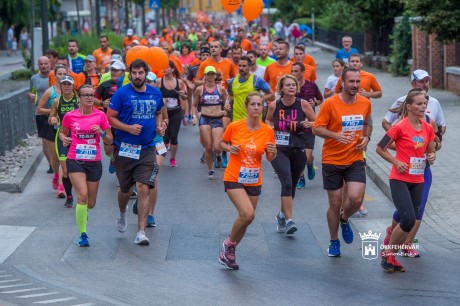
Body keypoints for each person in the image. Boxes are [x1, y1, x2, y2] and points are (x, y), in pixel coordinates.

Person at [312, 68, 373, 257]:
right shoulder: (330, 104)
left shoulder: (364, 102)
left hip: (355, 157)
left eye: (357, 81)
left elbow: (368, 123)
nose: (355, 85)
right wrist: (335, 135)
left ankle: (345, 219)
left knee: (356, 198)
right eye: (352, 82)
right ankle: (334, 241)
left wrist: (366, 138)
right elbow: (316, 129)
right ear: (343, 83)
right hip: (332, 159)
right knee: (335, 203)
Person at [376, 89, 436, 272]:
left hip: (418, 180)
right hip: (399, 179)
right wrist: (396, 161)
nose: (423, 106)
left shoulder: (428, 127)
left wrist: (431, 156)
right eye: (418, 104)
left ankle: (391, 255)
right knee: (408, 219)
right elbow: (380, 147)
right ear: (409, 107)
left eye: (424, 103)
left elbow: (430, 149)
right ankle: (388, 254)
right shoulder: (399, 127)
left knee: (410, 220)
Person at [107, 59, 164, 245]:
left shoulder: (155, 93)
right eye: (134, 73)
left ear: (146, 73)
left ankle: (141, 231)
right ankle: (123, 213)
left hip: (147, 148)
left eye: (141, 73)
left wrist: (160, 126)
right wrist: (128, 128)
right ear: (129, 74)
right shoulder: (122, 93)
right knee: (125, 190)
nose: (137, 76)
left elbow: (159, 112)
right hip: (124, 148)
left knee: (143, 187)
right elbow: (110, 118)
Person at [218, 92, 277, 270]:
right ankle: (228, 245)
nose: (257, 108)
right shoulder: (235, 126)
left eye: (259, 105)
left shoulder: (267, 130)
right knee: (248, 214)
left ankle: (230, 250)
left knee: (246, 218)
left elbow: (271, 157)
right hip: (234, 176)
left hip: (253, 178)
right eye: (253, 104)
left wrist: (273, 151)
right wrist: (229, 148)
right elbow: (221, 143)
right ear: (246, 107)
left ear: (263, 108)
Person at [59, 85, 113, 247]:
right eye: (86, 95)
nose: (89, 98)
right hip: (75, 159)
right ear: (79, 98)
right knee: (82, 196)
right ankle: (83, 234)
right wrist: (64, 138)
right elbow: (62, 132)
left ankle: (83, 212)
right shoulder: (70, 116)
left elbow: (109, 139)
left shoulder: (101, 116)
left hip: (94, 162)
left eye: (91, 95)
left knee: (90, 203)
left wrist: (101, 133)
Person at [265, 75, 316, 235]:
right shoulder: (275, 105)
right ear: (282, 88)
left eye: (293, 85)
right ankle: (289, 220)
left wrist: (310, 124)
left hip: (298, 148)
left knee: (292, 186)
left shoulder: (303, 104)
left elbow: (318, 123)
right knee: (286, 181)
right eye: (288, 85)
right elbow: (267, 120)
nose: (291, 87)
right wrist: (271, 128)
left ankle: (281, 215)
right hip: (279, 149)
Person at [290, 62, 323, 189]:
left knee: (307, 157)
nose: (293, 73)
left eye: (296, 71)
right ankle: (301, 177)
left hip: (309, 125)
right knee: (298, 155)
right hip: (295, 126)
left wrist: (314, 103)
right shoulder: (290, 87)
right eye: (292, 71)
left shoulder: (311, 85)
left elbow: (320, 99)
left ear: (302, 73)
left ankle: (310, 164)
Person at [48, 75, 80, 207]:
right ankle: (70, 196)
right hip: (62, 136)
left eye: (69, 84)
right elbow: (51, 116)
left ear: (73, 86)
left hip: (78, 136)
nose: (66, 86)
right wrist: (53, 119)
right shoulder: (56, 101)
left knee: (77, 167)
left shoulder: (78, 100)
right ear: (60, 86)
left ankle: (81, 192)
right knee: (65, 168)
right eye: (64, 84)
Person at [192, 66, 227, 178]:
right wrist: (194, 115)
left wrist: (224, 111)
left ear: (215, 75)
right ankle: (210, 169)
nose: (210, 76)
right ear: (205, 76)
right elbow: (194, 105)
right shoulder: (200, 89)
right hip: (205, 118)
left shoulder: (221, 89)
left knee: (217, 146)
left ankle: (218, 154)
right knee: (208, 146)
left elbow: (226, 104)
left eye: (212, 74)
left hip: (217, 118)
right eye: (208, 74)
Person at [36, 64, 66, 193]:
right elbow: (39, 109)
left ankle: (61, 186)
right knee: (54, 158)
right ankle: (56, 174)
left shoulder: (71, 91)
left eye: (64, 74)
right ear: (55, 75)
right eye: (59, 74)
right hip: (51, 125)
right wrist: (53, 111)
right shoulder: (50, 91)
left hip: (65, 126)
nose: (62, 76)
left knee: (62, 156)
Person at [156, 61, 187, 167]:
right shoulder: (159, 81)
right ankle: (161, 156)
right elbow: (154, 95)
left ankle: (173, 158)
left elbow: (185, 97)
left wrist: (183, 95)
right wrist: (161, 99)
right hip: (164, 113)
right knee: (164, 136)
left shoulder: (179, 82)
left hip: (176, 111)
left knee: (173, 136)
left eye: (167, 67)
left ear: (173, 69)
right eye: (164, 68)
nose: (165, 69)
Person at [228, 56, 273, 122]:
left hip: (254, 120)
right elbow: (230, 95)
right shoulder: (232, 81)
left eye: (244, 66)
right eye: (239, 66)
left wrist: (260, 99)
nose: (241, 68)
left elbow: (272, 96)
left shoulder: (257, 80)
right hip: (237, 120)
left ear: (249, 67)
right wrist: (227, 102)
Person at [28, 56, 53, 174]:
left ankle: (59, 160)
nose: (43, 66)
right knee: (45, 140)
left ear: (50, 64)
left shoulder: (55, 75)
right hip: (40, 112)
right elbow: (30, 91)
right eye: (41, 64)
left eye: (46, 63)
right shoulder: (34, 78)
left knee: (57, 138)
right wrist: (30, 95)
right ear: (38, 65)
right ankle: (51, 164)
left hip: (55, 111)